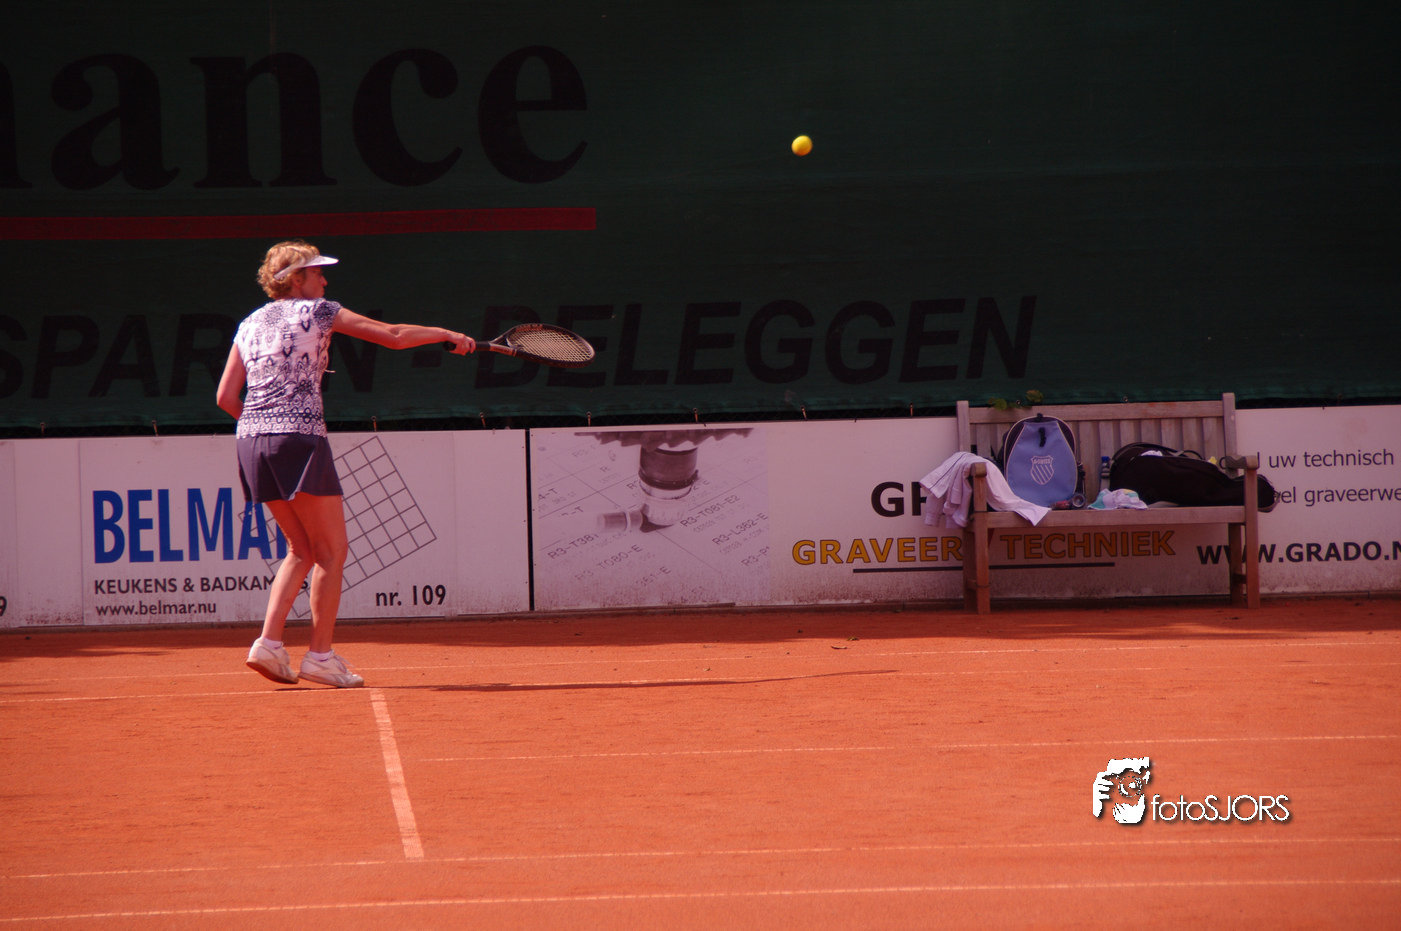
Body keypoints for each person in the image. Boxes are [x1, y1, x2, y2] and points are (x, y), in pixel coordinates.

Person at [217, 240, 474, 687]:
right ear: (296, 278)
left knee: (301, 550)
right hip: (297, 439)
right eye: (317, 272)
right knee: (332, 552)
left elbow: (225, 398)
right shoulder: (319, 311)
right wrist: (445, 333)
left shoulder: (250, 322)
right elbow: (393, 336)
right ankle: (319, 656)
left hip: (251, 442)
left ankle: (268, 645)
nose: (324, 280)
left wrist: (265, 426)